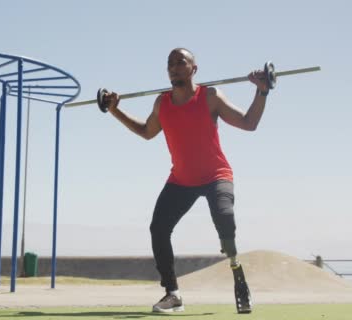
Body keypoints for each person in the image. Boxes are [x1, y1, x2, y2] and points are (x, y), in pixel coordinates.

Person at [103, 48, 269, 313]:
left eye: (181, 62)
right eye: (170, 63)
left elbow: (249, 123)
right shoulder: (162, 103)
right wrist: (114, 110)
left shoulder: (210, 96)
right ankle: (172, 294)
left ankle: (237, 270)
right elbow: (147, 132)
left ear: (194, 69)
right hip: (181, 179)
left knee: (225, 218)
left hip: (216, 175)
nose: (174, 67)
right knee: (158, 229)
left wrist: (262, 91)